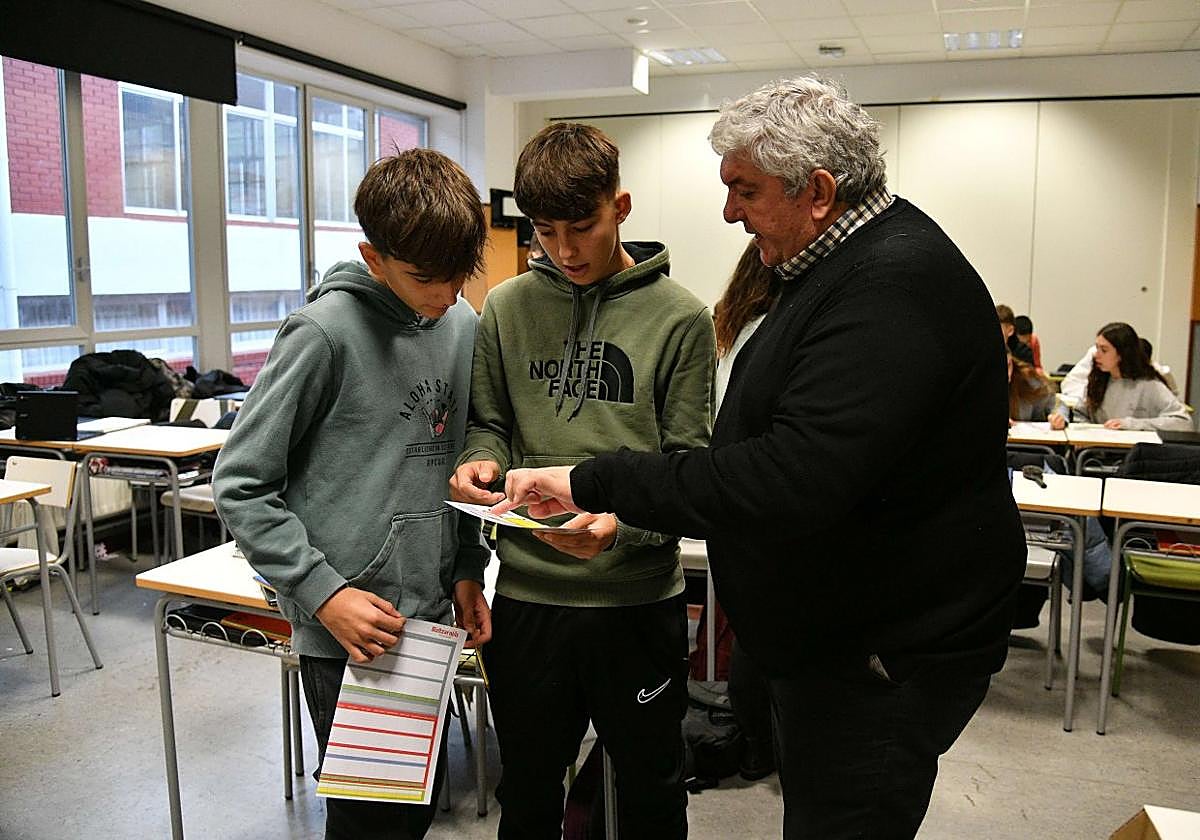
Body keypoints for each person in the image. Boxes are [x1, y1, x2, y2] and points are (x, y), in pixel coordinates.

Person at [491, 77, 1026, 840]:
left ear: (816, 190)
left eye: (743, 189)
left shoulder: (893, 285)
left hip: (881, 659)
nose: (729, 211)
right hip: (834, 644)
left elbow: (791, 476)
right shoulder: (836, 268)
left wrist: (592, 479)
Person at [213, 149, 492, 840]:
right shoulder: (323, 333)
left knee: (415, 809)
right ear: (373, 257)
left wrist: (464, 566)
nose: (446, 292)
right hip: (349, 627)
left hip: (428, 621)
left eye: (460, 274)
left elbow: (454, 463)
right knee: (371, 820)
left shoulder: (461, 326)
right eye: (425, 276)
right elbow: (241, 483)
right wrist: (323, 593)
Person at [449, 122, 715, 839]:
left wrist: (622, 528)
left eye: (582, 226)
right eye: (544, 231)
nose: (564, 251)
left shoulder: (682, 319)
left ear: (620, 207)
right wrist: (481, 460)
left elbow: (690, 471)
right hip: (530, 604)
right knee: (530, 792)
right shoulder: (505, 307)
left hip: (637, 606)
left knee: (652, 792)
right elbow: (490, 424)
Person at [712, 240, 780, 782]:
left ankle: (756, 742)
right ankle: (765, 744)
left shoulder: (732, 330)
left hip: (729, 507)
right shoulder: (776, 332)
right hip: (765, 507)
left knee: (747, 635)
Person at [1049, 322, 1189, 431]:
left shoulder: (1150, 385)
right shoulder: (1099, 380)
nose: (1096, 355)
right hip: (1097, 453)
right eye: (1097, 348)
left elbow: (1183, 422)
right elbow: (1080, 411)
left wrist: (1131, 424)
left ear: (1122, 354)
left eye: (1104, 350)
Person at [1007, 351, 1055, 424]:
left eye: (1009, 365)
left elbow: (1056, 404)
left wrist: (1058, 417)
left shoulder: (1024, 378)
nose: (1007, 373)